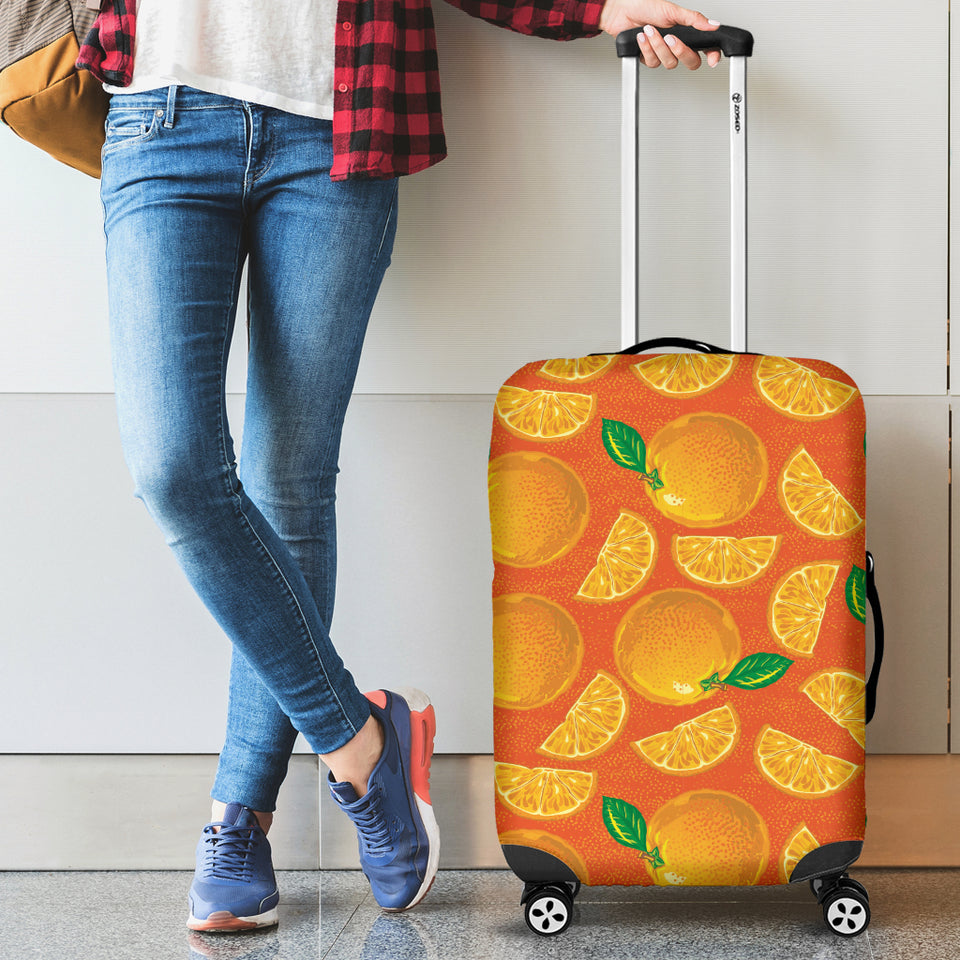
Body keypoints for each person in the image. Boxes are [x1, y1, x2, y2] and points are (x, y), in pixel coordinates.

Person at [76, 0, 721, 933]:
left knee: (289, 477)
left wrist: (599, 8)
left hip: (337, 124)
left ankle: (239, 821)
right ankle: (361, 740)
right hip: (159, 115)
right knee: (175, 467)